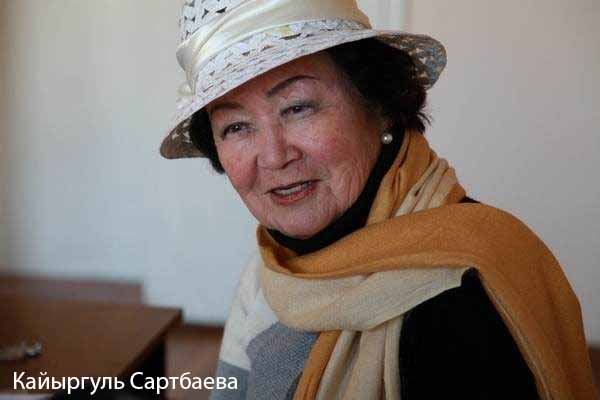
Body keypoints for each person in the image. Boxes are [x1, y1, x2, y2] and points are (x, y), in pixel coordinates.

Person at [160, 1, 597, 399]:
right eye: (236, 127)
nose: (274, 156)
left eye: (298, 107)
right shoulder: (273, 266)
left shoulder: (464, 294)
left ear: (380, 105)